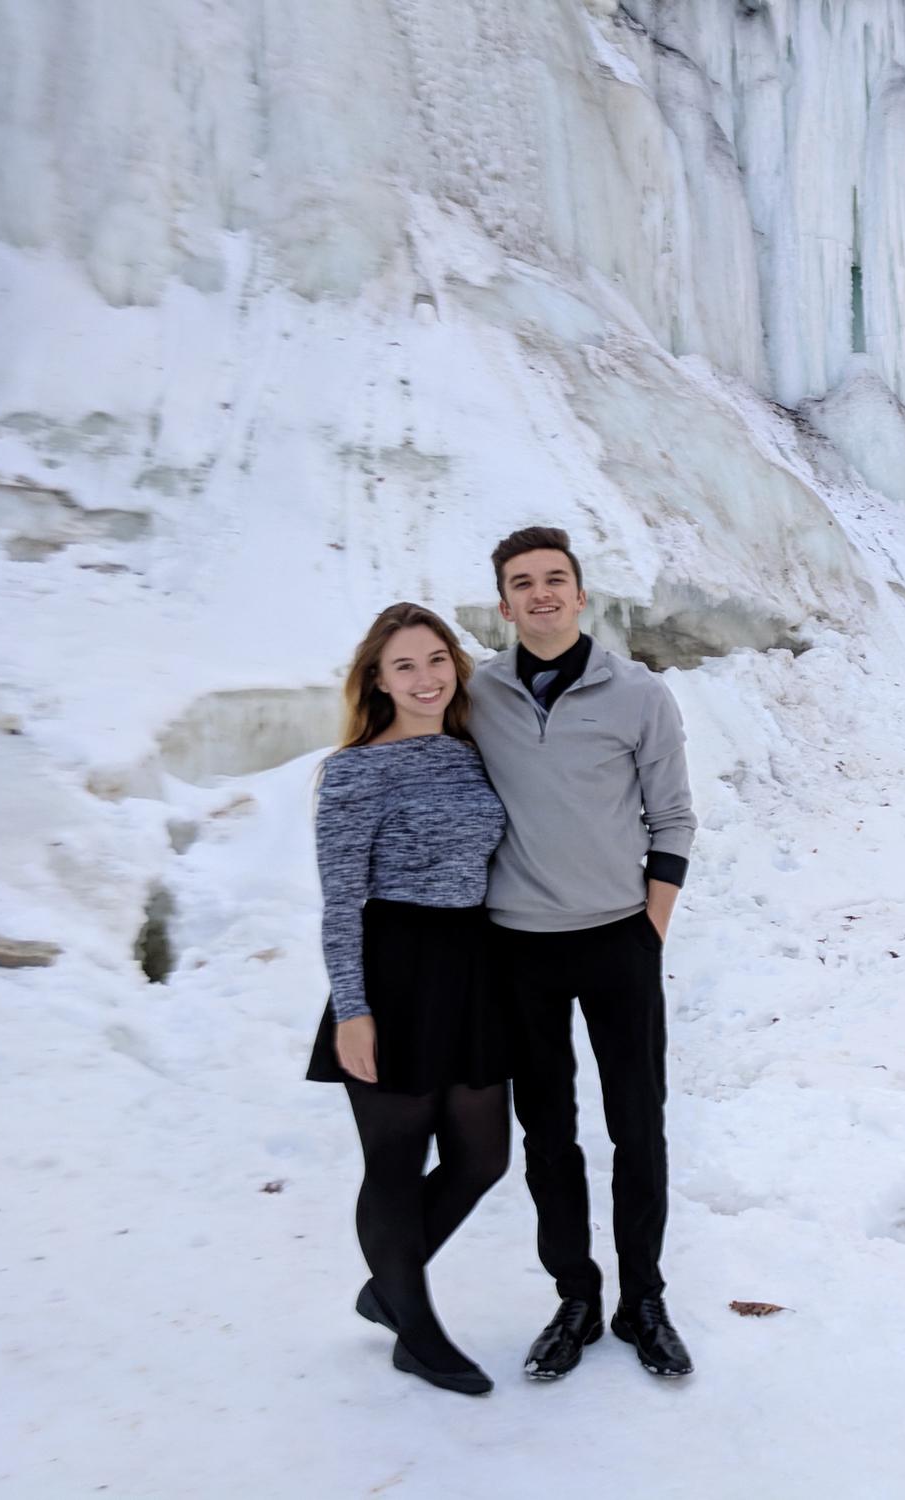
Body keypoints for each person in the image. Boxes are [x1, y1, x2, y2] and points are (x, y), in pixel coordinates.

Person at [468, 526, 698, 1381]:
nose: (540, 594)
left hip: (617, 942)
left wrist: (650, 929)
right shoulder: (478, 694)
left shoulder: (638, 696)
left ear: (580, 593)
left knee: (639, 1127)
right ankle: (575, 1297)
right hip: (518, 948)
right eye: (522, 583)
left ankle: (644, 1298)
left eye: (554, 579)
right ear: (503, 604)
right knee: (548, 1135)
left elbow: (673, 820)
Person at [306, 602, 511, 1396]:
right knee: (394, 1163)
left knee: (482, 1156)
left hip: (472, 964)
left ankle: (387, 1284)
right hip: (394, 968)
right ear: (377, 680)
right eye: (405, 666)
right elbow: (339, 900)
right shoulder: (355, 772)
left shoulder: (471, 753)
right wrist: (353, 1009)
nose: (424, 679)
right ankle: (415, 1332)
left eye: (435, 661)